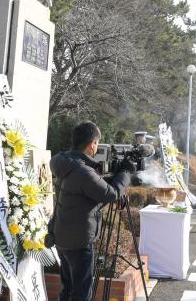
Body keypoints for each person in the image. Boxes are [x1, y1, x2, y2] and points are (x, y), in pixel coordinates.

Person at [50, 121, 135, 301]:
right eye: (97, 143)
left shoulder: (65, 164)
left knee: (68, 289)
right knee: (81, 293)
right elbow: (111, 194)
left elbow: (90, 190)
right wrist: (125, 173)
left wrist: (114, 175)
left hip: (62, 236)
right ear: (92, 144)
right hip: (79, 241)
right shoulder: (83, 171)